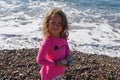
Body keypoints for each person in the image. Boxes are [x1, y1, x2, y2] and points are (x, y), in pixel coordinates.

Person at [36, 8, 71, 80]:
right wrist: (55, 63)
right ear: (47, 23)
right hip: (49, 74)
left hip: (59, 71)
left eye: (59, 23)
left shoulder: (63, 37)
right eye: (53, 23)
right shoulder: (48, 41)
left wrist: (68, 59)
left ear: (63, 25)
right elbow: (39, 60)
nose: (56, 26)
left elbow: (66, 48)